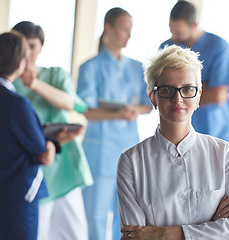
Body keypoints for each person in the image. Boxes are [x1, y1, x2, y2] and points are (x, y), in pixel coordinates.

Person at [117, 45, 229, 240]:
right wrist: (212, 224)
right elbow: (135, 237)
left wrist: (167, 234)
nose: (177, 99)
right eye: (167, 90)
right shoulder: (131, 162)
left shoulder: (224, 155)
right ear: (153, 97)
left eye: (187, 89)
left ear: (198, 96)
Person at [12, 21, 93, 240]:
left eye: (33, 45)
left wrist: (34, 84)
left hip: (65, 166)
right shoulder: (10, 86)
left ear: (41, 47)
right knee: (39, 233)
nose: (28, 52)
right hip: (35, 168)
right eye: (22, 45)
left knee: (75, 234)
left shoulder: (55, 75)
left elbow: (70, 103)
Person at [76, 7, 152, 240]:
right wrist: (120, 113)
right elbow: (87, 110)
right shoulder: (89, 68)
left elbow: (148, 105)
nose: (128, 35)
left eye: (130, 30)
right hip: (100, 152)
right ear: (108, 28)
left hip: (128, 150)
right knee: (96, 216)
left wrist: (133, 110)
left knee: (126, 216)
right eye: (123, 29)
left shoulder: (136, 67)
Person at [0, 31, 57, 239]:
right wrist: (51, 146)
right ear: (20, 64)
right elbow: (42, 153)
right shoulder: (17, 104)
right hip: (19, 196)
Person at [160, 0, 229, 148]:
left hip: (214, 134)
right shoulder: (166, 47)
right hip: (176, 138)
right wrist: (200, 87)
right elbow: (161, 92)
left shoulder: (220, 48)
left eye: (179, 33)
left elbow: (218, 95)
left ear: (194, 26)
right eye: (171, 30)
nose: (173, 37)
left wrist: (175, 90)